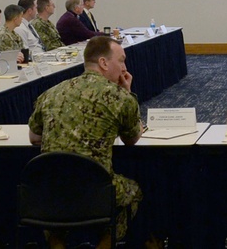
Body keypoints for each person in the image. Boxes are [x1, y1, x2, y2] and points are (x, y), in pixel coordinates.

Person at [28, 36, 144, 246]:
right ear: (103, 63)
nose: (124, 67)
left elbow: (34, 137)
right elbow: (132, 138)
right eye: (121, 60)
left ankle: (57, 244)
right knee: (132, 191)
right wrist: (126, 93)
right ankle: (105, 243)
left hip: (50, 188)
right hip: (96, 190)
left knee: (59, 198)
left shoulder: (51, 93)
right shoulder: (120, 97)